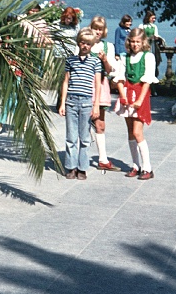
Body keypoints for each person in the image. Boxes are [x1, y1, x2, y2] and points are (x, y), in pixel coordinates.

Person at [58, 28, 102, 180]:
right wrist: (62, 103)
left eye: (88, 44)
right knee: (71, 137)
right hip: (71, 101)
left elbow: (97, 84)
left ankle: (82, 168)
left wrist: (96, 105)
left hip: (86, 102)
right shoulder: (70, 60)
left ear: (92, 45)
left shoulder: (95, 62)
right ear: (78, 43)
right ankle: (71, 166)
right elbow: (66, 82)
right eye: (82, 43)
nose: (85, 46)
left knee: (84, 137)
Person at [114, 28, 159, 180]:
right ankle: (135, 165)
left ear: (143, 42)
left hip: (140, 94)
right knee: (130, 132)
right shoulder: (124, 57)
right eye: (132, 41)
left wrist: (139, 100)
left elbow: (147, 81)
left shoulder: (148, 57)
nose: (134, 44)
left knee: (138, 131)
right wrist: (123, 96)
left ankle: (147, 167)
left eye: (137, 42)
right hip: (128, 94)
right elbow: (120, 79)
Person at [88, 16, 121, 171]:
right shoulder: (85, 44)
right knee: (84, 121)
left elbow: (110, 70)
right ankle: (78, 157)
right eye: (95, 28)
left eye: (100, 29)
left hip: (101, 86)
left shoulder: (108, 46)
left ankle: (102, 158)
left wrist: (105, 59)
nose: (98, 32)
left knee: (100, 123)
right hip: (86, 85)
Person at [138, 9, 165, 80]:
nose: (154, 19)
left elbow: (156, 35)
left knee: (153, 60)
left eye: (154, 18)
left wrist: (158, 38)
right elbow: (140, 36)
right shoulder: (142, 26)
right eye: (153, 18)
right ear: (148, 18)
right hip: (144, 46)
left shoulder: (154, 26)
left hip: (152, 46)